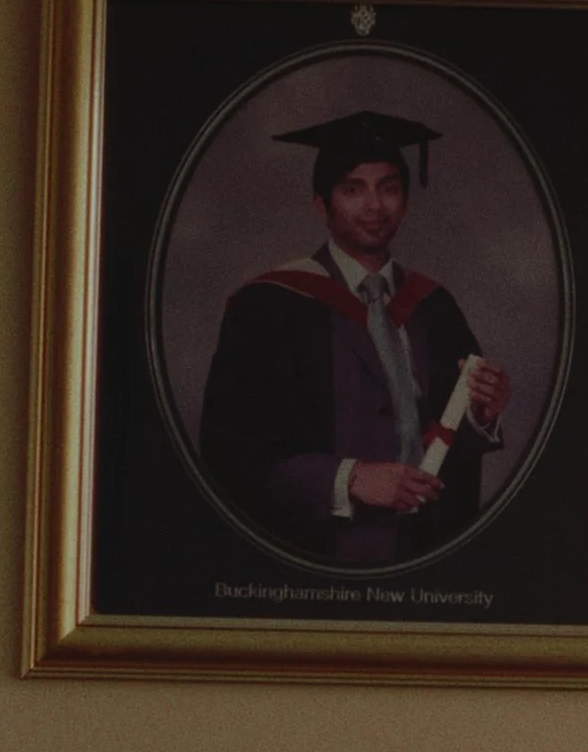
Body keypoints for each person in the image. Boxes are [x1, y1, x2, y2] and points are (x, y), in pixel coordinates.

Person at [198, 109, 514, 566]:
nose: (374, 207)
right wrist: (349, 479)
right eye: (353, 189)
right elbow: (229, 451)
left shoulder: (434, 305)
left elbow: (450, 432)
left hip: (422, 549)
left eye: (388, 188)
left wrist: (483, 410)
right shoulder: (267, 307)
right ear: (321, 205)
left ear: (405, 200)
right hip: (314, 552)